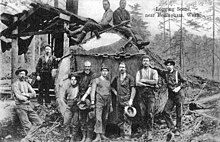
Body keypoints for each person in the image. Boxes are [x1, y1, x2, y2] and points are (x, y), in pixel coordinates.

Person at [152, 58, 187, 136]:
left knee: (179, 113)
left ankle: (178, 129)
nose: (169, 66)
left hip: (179, 95)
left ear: (173, 66)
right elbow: (159, 71)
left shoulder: (177, 73)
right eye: (167, 65)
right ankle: (172, 128)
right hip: (171, 96)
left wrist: (179, 87)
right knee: (165, 111)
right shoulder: (165, 74)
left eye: (170, 65)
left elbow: (185, 82)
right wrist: (151, 66)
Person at [12, 67, 42, 139]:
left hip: (28, 105)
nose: (22, 75)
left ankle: (27, 139)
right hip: (20, 107)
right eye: (21, 74)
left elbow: (34, 94)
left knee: (38, 122)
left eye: (24, 74)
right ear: (18, 75)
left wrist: (26, 94)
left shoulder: (27, 84)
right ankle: (31, 139)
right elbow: (19, 97)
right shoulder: (15, 84)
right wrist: (26, 96)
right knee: (27, 125)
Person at [136, 55, 158, 140]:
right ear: (142, 62)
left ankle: (150, 132)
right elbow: (137, 83)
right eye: (144, 61)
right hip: (142, 95)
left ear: (149, 62)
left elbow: (155, 81)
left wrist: (144, 81)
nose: (145, 62)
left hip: (151, 95)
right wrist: (149, 83)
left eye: (147, 61)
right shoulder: (139, 72)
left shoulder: (154, 71)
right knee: (142, 113)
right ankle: (144, 131)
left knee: (150, 113)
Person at [111, 62, 136, 139]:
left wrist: (131, 100)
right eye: (120, 67)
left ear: (125, 68)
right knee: (119, 118)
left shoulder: (129, 78)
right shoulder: (116, 78)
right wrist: (116, 93)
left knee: (127, 118)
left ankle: (127, 135)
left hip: (127, 100)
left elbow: (133, 89)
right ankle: (122, 134)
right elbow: (111, 86)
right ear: (118, 69)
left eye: (123, 67)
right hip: (119, 101)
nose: (121, 69)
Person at [74, 61, 97, 142]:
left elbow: (91, 87)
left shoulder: (93, 75)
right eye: (86, 66)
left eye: (88, 67)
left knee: (90, 118)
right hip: (81, 98)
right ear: (83, 67)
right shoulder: (81, 74)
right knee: (82, 118)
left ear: (91, 67)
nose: (87, 68)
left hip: (89, 98)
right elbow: (72, 75)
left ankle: (89, 137)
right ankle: (83, 136)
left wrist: (85, 97)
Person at [90, 65, 112, 142]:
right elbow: (92, 91)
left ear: (108, 72)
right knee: (98, 118)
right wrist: (92, 101)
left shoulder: (108, 81)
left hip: (107, 101)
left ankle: (103, 133)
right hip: (99, 100)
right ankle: (97, 136)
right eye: (103, 71)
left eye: (106, 71)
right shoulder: (97, 80)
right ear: (101, 72)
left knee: (105, 118)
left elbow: (110, 93)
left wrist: (111, 104)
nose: (105, 72)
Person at [62, 73, 80, 141]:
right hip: (69, 107)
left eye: (75, 80)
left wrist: (77, 102)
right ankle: (67, 137)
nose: (73, 81)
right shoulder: (68, 88)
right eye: (72, 79)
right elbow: (64, 98)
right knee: (66, 122)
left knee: (75, 123)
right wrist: (68, 103)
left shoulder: (79, 88)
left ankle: (73, 137)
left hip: (76, 107)